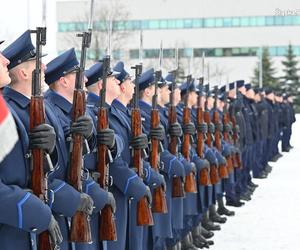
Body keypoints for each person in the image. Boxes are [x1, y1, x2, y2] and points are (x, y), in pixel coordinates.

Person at [0, 31, 63, 249]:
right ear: (25, 73)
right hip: (12, 225)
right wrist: (33, 208)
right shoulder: (10, 109)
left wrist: (51, 151)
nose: (5, 61)